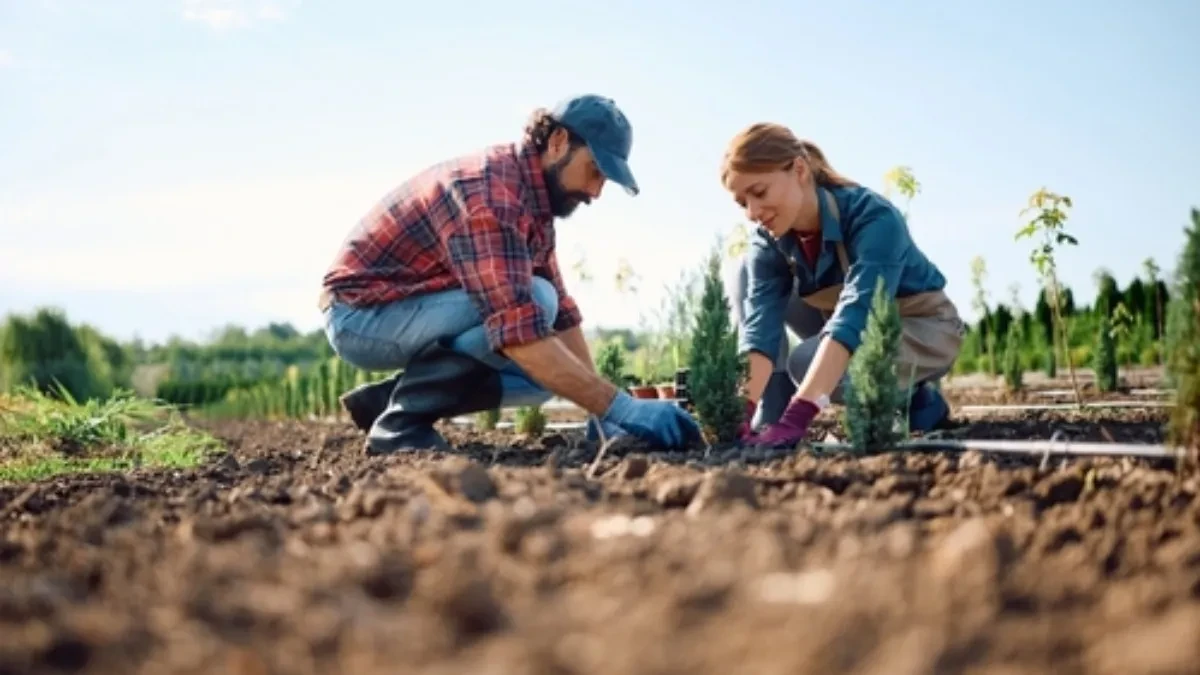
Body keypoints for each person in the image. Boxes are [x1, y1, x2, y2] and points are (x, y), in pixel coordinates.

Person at [318, 94, 701, 454]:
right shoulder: (489, 194)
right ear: (558, 142)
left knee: (542, 375)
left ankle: (388, 402)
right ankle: (401, 425)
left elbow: (563, 313)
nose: (596, 192)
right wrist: (623, 409)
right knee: (536, 306)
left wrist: (601, 413)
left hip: (410, 310)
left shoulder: (533, 199)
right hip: (362, 315)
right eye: (595, 171)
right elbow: (518, 327)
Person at [720, 122, 966, 448]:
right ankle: (771, 406)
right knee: (746, 274)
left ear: (799, 170)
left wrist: (799, 417)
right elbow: (759, 328)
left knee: (805, 363)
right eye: (742, 203)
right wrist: (740, 408)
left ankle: (917, 397)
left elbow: (855, 315)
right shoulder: (771, 240)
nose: (752, 212)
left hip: (923, 327)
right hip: (848, 324)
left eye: (760, 192)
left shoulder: (872, 217)